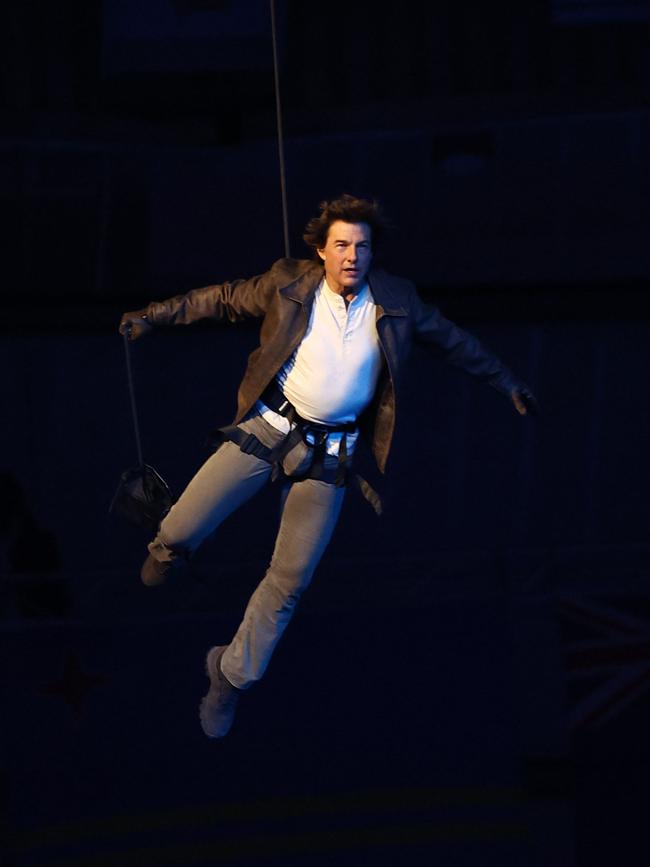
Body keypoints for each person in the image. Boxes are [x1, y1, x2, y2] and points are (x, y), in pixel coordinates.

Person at [119, 193, 538, 739]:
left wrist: (506, 382)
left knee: (290, 580)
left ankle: (229, 676)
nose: (351, 256)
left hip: (331, 456)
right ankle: (165, 547)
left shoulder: (397, 300)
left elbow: (455, 343)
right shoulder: (288, 282)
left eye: (361, 246)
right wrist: (154, 316)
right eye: (341, 244)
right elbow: (221, 299)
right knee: (180, 528)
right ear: (321, 249)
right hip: (268, 429)